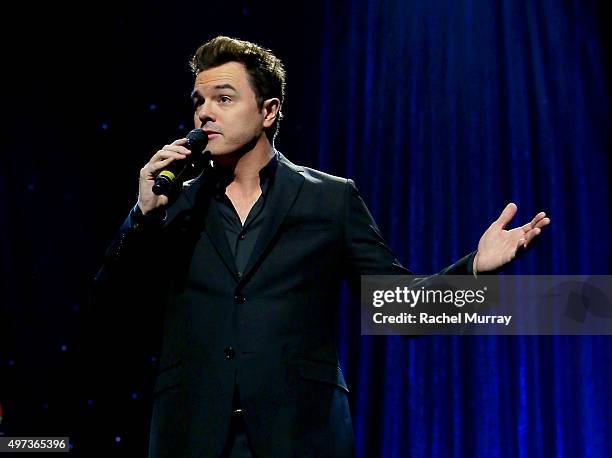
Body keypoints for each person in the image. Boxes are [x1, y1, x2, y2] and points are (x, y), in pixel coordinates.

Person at [94, 36, 550, 458]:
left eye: (224, 99)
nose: (205, 113)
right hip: (190, 436)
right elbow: (111, 310)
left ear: (269, 111)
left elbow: (396, 309)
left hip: (301, 436)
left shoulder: (329, 199)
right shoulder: (174, 205)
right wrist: (141, 214)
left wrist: (473, 270)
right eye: (199, 102)